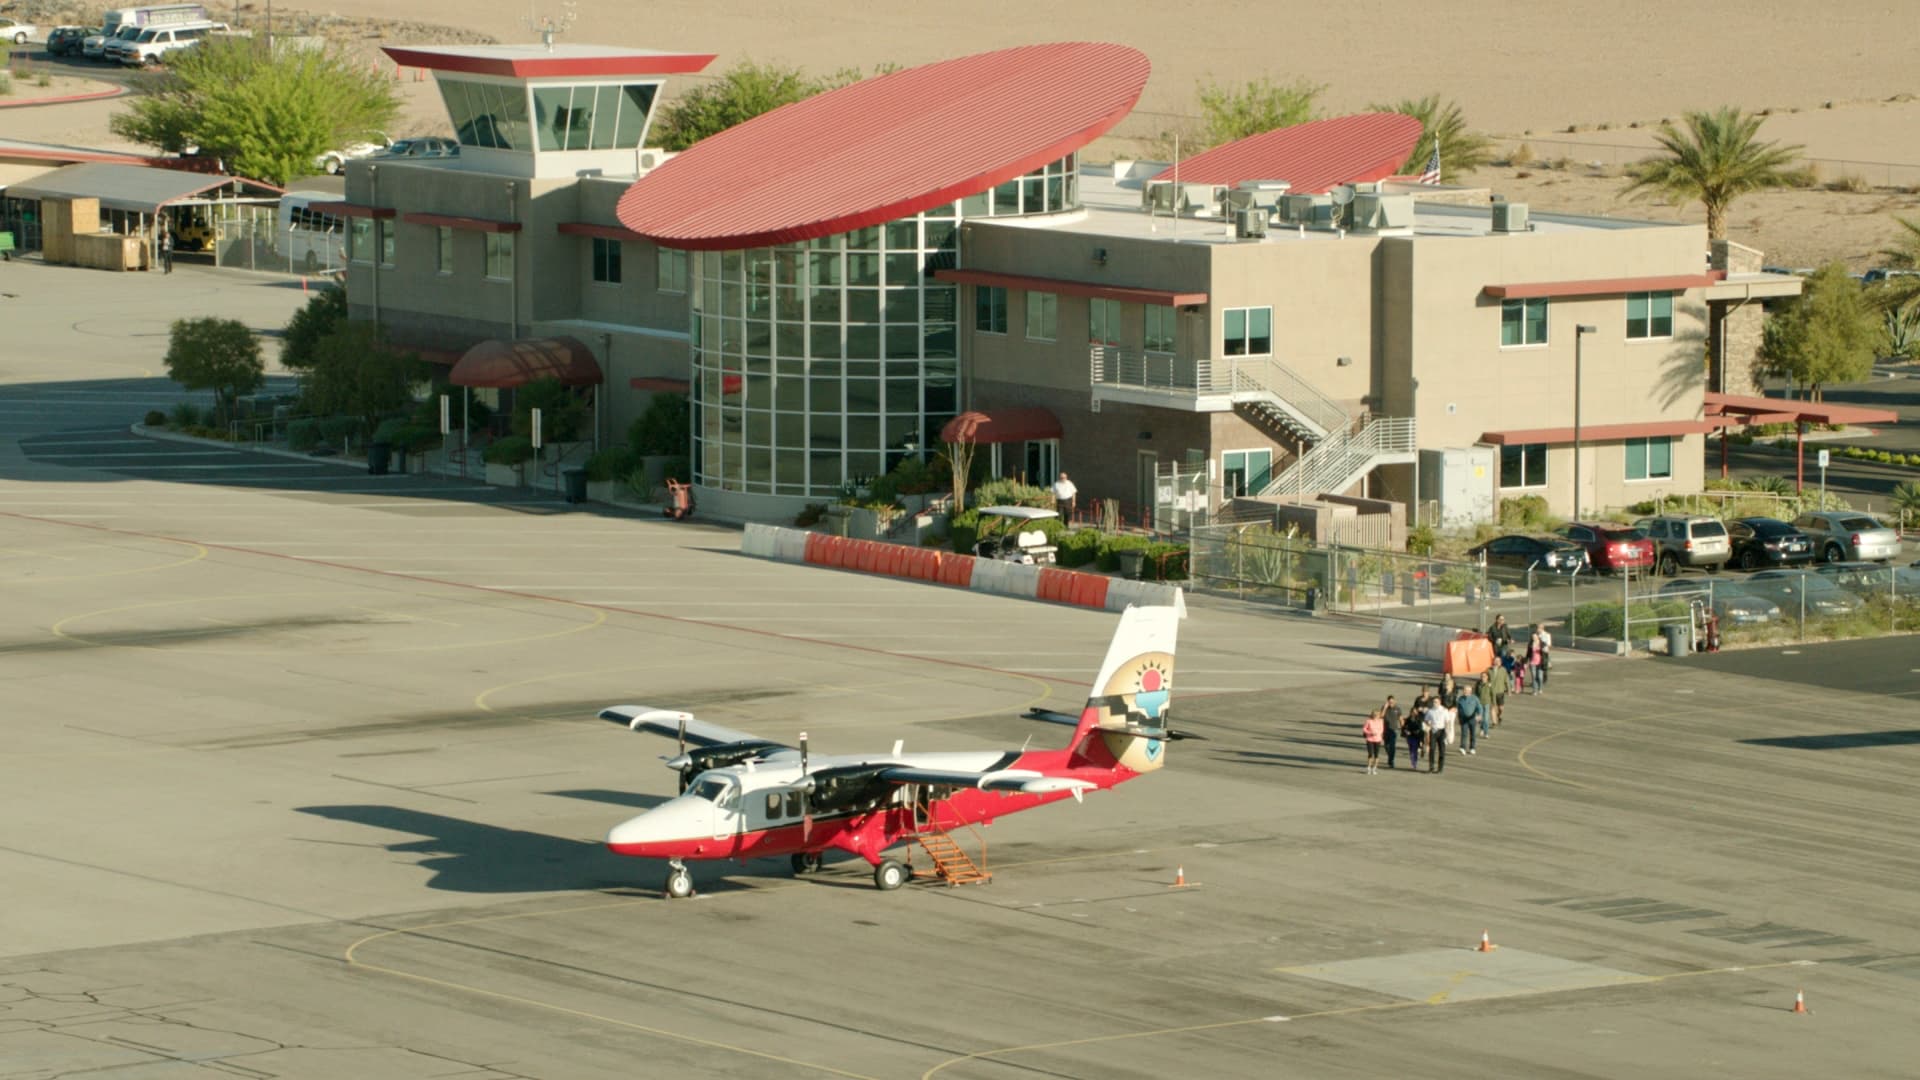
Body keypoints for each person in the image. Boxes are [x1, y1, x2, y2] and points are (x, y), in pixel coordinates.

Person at [1400, 690, 1425, 771]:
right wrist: (1405, 731)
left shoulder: (1419, 720)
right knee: (1411, 749)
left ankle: (1414, 763)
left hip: (1417, 736)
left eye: (1415, 712)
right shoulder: (1408, 719)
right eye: (1412, 712)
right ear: (1410, 713)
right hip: (1410, 736)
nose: (1413, 714)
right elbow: (1404, 727)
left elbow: (1421, 729)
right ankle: (1413, 760)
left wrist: (1421, 738)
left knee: (1414, 749)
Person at [1424, 695, 1449, 773]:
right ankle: (1431, 767)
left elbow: (1447, 721)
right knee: (1432, 749)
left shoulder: (1444, 710)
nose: (1435, 703)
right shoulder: (1430, 711)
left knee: (1442, 750)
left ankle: (1440, 768)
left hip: (1441, 730)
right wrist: (1429, 725)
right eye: (1434, 702)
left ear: (1440, 702)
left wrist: (1447, 732)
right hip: (1433, 731)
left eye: (1436, 702)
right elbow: (1426, 720)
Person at [1456, 682, 1482, 754]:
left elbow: (1479, 707)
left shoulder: (1475, 698)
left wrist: (1479, 715)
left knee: (1473, 733)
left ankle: (1472, 748)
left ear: (1470, 691)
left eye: (1467, 691)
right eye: (1464, 690)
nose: (1465, 692)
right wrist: (1458, 718)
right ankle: (1462, 747)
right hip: (1464, 719)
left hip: (1472, 718)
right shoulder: (1460, 699)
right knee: (1464, 733)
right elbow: (1458, 709)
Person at [1381, 694, 1401, 770]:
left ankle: (1391, 761)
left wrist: (1403, 727)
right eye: (1389, 702)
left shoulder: (1397, 709)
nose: (1391, 703)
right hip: (1385, 730)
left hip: (1394, 729)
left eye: (1392, 702)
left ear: (1394, 701)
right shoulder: (1384, 708)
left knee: (1392, 746)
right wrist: (1385, 708)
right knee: (1386, 745)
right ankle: (1390, 757)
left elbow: (1400, 718)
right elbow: (1381, 716)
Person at [1361, 709, 1385, 775]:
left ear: (1379, 715)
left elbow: (1382, 729)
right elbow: (1364, 729)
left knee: (1376, 755)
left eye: (1377, 715)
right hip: (1370, 739)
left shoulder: (1381, 721)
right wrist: (1370, 732)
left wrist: (1378, 733)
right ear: (1372, 715)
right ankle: (1368, 768)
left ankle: (1374, 768)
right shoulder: (1369, 721)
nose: (1376, 716)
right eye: (1374, 715)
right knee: (1370, 754)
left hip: (1378, 739)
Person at [1527, 627, 1546, 695]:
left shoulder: (1541, 643)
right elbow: (1528, 654)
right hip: (1532, 662)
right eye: (1533, 637)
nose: (1534, 638)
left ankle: (1540, 688)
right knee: (1534, 677)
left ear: (1537, 636)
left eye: (1535, 636)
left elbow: (1545, 646)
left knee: (1540, 677)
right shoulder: (1530, 645)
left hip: (1540, 663)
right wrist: (1526, 662)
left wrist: (1540, 647)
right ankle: (1534, 690)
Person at [1535, 624, 1553, 694]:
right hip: (1537, 653)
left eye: (1539, 628)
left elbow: (1549, 644)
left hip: (1544, 652)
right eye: (1537, 628)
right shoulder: (1535, 635)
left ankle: (1544, 679)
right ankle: (1538, 680)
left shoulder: (1546, 635)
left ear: (1542, 628)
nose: (1537, 629)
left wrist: (1543, 645)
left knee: (1544, 668)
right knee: (1537, 667)